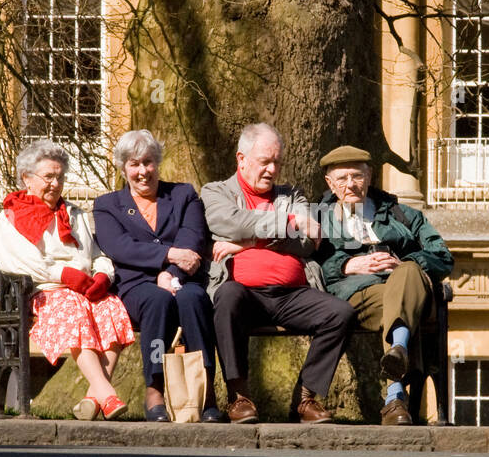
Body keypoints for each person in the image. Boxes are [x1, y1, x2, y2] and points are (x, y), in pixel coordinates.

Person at [201, 122, 355, 424]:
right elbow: (230, 222)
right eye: (264, 162)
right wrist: (288, 222)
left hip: (293, 293)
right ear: (241, 159)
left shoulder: (292, 193)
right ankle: (239, 397)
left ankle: (305, 397)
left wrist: (242, 244)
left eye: (277, 162)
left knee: (341, 313)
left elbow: (308, 242)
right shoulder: (215, 191)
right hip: (244, 294)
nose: (272, 169)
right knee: (227, 296)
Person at [0, 139, 134, 421]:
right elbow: (20, 261)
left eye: (60, 177)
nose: (55, 183)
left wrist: (103, 274)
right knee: (73, 308)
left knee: (112, 307)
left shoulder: (74, 215)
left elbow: (96, 254)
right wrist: (64, 275)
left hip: (83, 288)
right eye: (48, 177)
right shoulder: (10, 218)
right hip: (42, 292)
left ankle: (94, 398)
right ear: (27, 179)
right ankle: (108, 394)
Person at [314, 146, 454, 426]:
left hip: (405, 286)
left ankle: (396, 377)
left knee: (407, 273)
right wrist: (346, 266)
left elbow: (442, 257)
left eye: (356, 176)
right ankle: (394, 392)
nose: (350, 184)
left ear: (369, 176)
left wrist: (401, 261)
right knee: (401, 306)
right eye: (342, 179)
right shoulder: (318, 217)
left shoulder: (404, 215)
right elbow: (309, 260)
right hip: (356, 294)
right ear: (330, 183)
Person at [92, 130, 222, 423]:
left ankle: (207, 390)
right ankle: (154, 387)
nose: (143, 172)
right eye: (135, 164)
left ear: (157, 163)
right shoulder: (107, 205)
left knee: (194, 299)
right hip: (137, 287)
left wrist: (172, 273)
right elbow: (120, 247)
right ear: (123, 167)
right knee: (157, 301)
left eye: (148, 162)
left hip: (184, 279)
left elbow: (193, 238)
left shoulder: (183, 194)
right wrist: (167, 258)